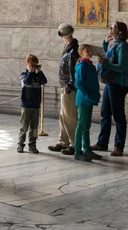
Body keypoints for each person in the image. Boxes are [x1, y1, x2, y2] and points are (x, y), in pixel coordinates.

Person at [91, 21, 128, 156]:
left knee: (118, 115)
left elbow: (122, 67)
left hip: (118, 84)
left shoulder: (123, 46)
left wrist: (106, 64)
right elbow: (107, 57)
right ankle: (102, 143)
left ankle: (119, 146)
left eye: (113, 26)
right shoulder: (114, 44)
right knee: (105, 113)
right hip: (110, 84)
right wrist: (104, 45)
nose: (110, 28)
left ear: (120, 31)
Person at [48, 23, 79, 155]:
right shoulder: (68, 47)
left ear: (63, 36)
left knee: (70, 116)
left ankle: (74, 144)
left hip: (69, 88)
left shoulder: (72, 51)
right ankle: (63, 141)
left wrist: (69, 87)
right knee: (63, 116)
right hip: (65, 86)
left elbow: (73, 71)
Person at [74, 44, 101, 162]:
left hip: (89, 99)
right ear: (81, 53)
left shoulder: (90, 66)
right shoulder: (81, 66)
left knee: (87, 125)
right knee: (81, 125)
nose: (90, 53)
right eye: (87, 51)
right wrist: (88, 94)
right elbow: (78, 83)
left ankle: (87, 149)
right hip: (84, 99)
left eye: (90, 51)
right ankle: (77, 151)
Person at [17, 54, 47, 154]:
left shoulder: (37, 76)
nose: (33, 67)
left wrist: (39, 71)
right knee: (24, 126)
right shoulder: (24, 75)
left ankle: (32, 145)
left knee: (34, 128)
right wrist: (30, 72)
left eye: (35, 65)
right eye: (31, 65)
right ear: (27, 64)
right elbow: (26, 82)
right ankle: (20, 144)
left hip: (35, 106)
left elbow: (44, 81)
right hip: (26, 105)